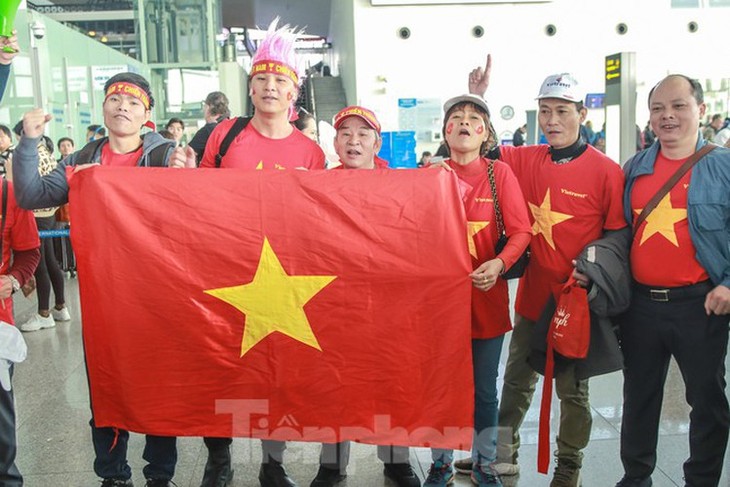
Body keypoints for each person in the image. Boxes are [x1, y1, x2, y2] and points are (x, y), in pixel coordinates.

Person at [13, 71, 191, 487]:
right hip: (105, 297)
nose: (122, 107)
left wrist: (189, 174)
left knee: (157, 388)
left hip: (157, 294)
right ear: (104, 107)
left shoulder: (165, 156)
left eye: (132, 102)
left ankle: (160, 474)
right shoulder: (81, 159)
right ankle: (112, 473)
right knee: (107, 387)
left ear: (147, 113)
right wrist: (28, 141)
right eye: (115, 99)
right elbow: (30, 195)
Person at [458, 58, 626, 487]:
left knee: (573, 391)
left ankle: (569, 464)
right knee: (515, 380)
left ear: (582, 114)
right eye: (545, 111)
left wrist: (593, 272)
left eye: (562, 111)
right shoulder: (526, 159)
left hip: (577, 303)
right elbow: (481, 151)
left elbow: (617, 237)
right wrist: (479, 98)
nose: (552, 121)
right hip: (532, 296)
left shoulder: (607, 171)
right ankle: (498, 454)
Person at [197, 18, 325, 487]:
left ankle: (273, 462)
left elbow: (323, 216)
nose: (270, 88)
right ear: (250, 88)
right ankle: (219, 457)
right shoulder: (223, 135)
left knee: (278, 372)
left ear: (294, 94)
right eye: (262, 80)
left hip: (283, 279)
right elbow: (192, 198)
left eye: (280, 81)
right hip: (225, 270)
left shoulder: (310, 152)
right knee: (219, 365)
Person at [615, 75, 730, 487]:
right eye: (659, 108)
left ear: (700, 110)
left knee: (708, 402)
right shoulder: (635, 168)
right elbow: (619, 232)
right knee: (639, 399)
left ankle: (700, 480)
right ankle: (636, 478)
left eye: (678, 106)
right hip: (640, 306)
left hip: (700, 306)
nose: (668, 116)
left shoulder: (723, 166)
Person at [423, 94, 531, 487]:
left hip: (486, 299)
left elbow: (521, 231)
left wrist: (500, 263)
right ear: (446, 131)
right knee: (441, 386)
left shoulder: (497, 174)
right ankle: (440, 462)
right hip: (438, 305)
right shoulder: (430, 174)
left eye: (474, 119)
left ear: (485, 134)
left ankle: (486, 462)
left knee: (485, 390)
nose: (464, 123)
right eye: (456, 117)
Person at [308, 106, 417, 487]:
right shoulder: (320, 184)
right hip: (335, 301)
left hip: (387, 302)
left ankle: (396, 460)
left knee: (390, 378)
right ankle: (331, 463)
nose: (354, 141)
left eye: (363, 134)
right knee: (335, 379)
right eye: (346, 134)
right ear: (335, 143)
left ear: (377, 142)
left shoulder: (400, 184)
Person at [0, 29, 42, 487]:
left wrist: (13, 278)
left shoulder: (9, 194)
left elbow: (30, 251)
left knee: (0, 415)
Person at [17, 139, 71, 333]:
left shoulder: (32, 155)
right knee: (50, 260)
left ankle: (43, 314)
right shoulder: (47, 153)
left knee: (39, 264)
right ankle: (60, 306)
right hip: (48, 212)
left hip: (36, 214)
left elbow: (25, 185)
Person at [189, 91, 230, 164]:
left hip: (211, 173)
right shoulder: (231, 127)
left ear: (208, 107)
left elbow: (187, 154)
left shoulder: (207, 131)